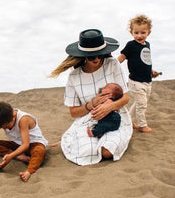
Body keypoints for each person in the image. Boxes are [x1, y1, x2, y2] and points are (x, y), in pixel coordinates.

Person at [50, 29, 133, 166]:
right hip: (88, 120)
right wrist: (92, 104)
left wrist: (109, 107)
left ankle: (125, 131)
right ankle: (71, 139)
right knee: (87, 151)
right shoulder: (74, 76)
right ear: (84, 56)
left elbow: (125, 98)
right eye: (92, 56)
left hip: (115, 116)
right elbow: (73, 112)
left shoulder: (112, 64)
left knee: (107, 152)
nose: (97, 59)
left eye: (100, 54)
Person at [0, 101, 48, 182]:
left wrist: (11, 156)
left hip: (33, 144)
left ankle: (29, 171)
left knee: (40, 151)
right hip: (17, 144)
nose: (6, 129)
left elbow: (25, 145)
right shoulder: (2, 118)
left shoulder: (23, 119)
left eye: (7, 126)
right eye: (3, 128)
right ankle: (19, 156)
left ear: (13, 116)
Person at [117, 14, 161, 133]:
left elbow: (145, 61)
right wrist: (112, 65)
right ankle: (142, 125)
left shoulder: (147, 45)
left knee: (139, 103)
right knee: (142, 105)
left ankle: (129, 121)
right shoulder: (131, 45)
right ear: (131, 32)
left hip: (147, 81)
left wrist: (152, 71)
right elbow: (121, 57)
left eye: (143, 32)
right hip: (136, 82)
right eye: (136, 33)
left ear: (148, 32)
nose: (139, 36)